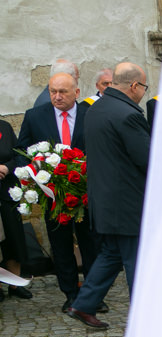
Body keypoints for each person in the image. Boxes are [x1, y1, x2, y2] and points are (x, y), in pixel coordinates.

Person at [66, 62, 151, 329]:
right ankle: (146, 319)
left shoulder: (95, 109)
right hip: (129, 202)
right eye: (144, 88)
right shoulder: (128, 114)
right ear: (135, 86)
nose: (143, 93)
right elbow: (147, 159)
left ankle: (83, 304)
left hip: (103, 199)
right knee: (138, 259)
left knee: (111, 253)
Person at [17, 72, 99, 312]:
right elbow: (23, 149)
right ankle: (71, 294)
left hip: (86, 193)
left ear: (76, 92)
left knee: (90, 244)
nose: (57, 96)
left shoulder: (90, 114)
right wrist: (39, 169)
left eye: (63, 92)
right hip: (53, 194)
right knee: (61, 246)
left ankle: (94, 293)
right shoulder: (35, 116)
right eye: (53, 91)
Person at [0, 119, 29, 302]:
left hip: (7, 192)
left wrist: (6, 167)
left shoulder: (4, 127)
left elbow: (19, 154)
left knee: (13, 237)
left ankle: (15, 284)